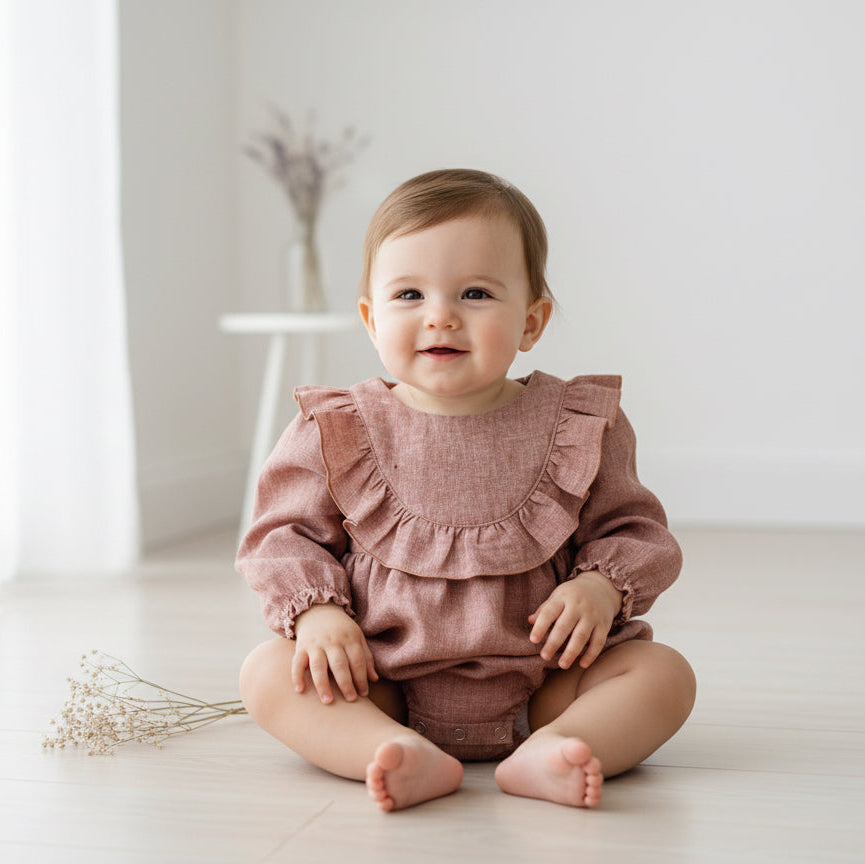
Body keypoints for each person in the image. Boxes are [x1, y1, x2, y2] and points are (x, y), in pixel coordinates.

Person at [236, 168, 696, 812]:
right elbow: (280, 537)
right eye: (409, 295)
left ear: (532, 321)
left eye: (475, 292)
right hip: (383, 679)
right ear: (370, 319)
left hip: (548, 682)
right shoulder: (336, 427)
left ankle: (559, 746)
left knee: (664, 676)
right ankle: (389, 750)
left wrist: (600, 585)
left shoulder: (579, 424)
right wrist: (317, 613)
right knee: (266, 675)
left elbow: (636, 530)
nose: (441, 316)